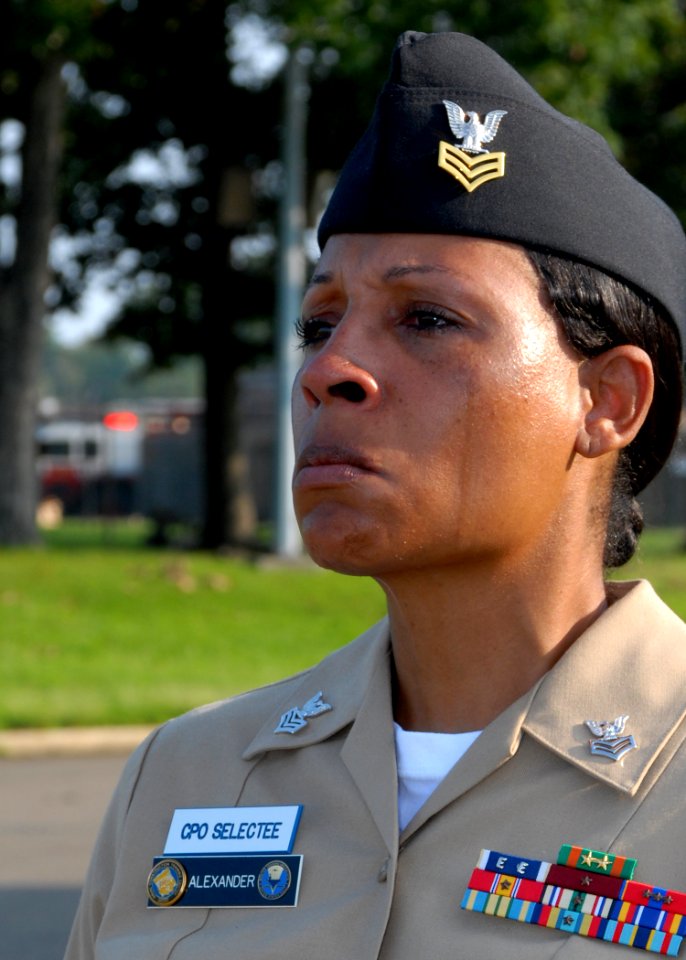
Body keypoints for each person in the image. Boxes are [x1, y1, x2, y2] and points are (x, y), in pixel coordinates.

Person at [65, 31, 686, 960]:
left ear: (607, 402)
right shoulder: (186, 776)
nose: (331, 370)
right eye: (319, 323)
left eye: (428, 319)